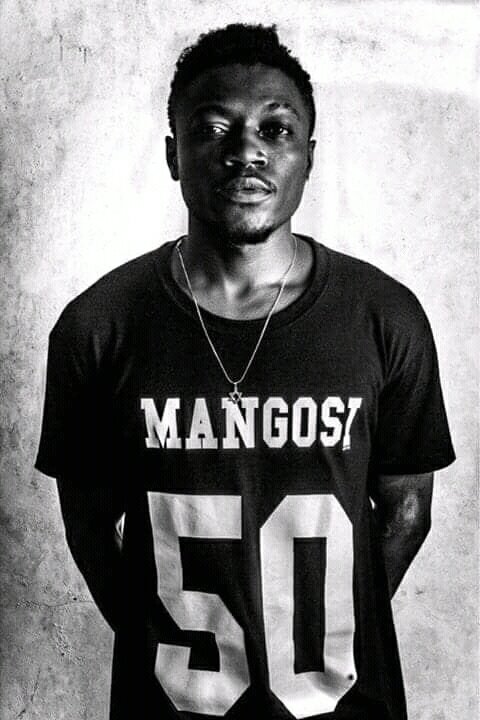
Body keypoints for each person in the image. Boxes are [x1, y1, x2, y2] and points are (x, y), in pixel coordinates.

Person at [35, 23, 455, 720]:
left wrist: (320, 627)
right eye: (213, 129)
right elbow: (88, 528)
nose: (247, 150)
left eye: (276, 129)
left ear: (310, 155)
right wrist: (168, 644)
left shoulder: (385, 317)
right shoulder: (98, 327)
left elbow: (408, 511)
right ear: (173, 155)